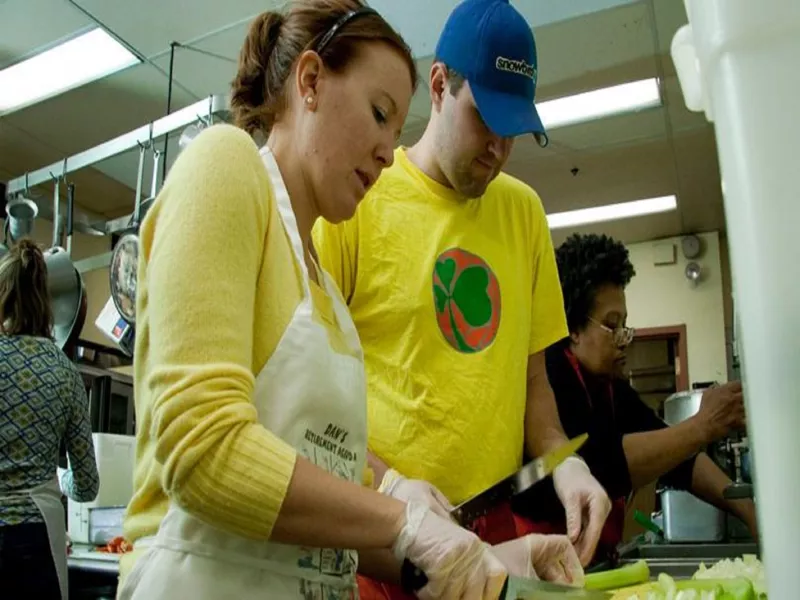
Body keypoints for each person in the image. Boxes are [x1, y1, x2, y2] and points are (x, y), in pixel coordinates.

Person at [117, 2, 522, 599]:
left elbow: (325, 523)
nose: (388, 153)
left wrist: (494, 562)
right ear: (309, 81)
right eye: (379, 114)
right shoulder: (225, 165)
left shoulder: (324, 291)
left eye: (396, 132)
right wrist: (399, 519)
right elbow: (202, 451)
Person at [312, 0, 609, 595]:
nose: (499, 147)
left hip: (492, 534)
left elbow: (533, 386)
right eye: (485, 118)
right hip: (377, 534)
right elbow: (311, 400)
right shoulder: (357, 200)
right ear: (441, 85)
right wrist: (391, 483)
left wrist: (563, 460)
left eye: (514, 130)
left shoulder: (523, 213)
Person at [512, 233, 758, 560]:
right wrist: (701, 426)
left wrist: (750, 514)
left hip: (590, 560)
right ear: (571, 329)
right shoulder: (552, 374)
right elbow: (602, 465)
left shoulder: (610, 387)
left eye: (624, 324)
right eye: (611, 325)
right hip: (543, 561)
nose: (623, 338)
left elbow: (677, 456)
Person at [0, 238, 99, 600]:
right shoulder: (64, 371)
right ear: (48, 304)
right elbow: (87, 484)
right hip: (36, 540)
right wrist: (57, 478)